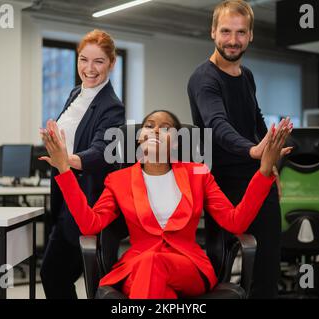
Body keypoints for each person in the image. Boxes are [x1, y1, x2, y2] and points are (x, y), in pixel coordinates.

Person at [40, 109, 291, 299]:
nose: (157, 130)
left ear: (177, 142)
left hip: (188, 266)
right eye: (150, 126)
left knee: (153, 266)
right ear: (139, 138)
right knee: (155, 279)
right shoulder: (118, 180)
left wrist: (265, 169)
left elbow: (236, 221)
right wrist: (64, 168)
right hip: (136, 267)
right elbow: (89, 225)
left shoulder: (198, 173)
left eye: (166, 127)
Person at [187, 0, 293, 298]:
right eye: (226, 31)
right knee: (218, 273)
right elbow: (217, 126)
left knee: (267, 268)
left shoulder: (246, 76)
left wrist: (269, 162)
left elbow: (255, 118)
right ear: (212, 32)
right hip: (224, 185)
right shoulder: (204, 78)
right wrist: (253, 151)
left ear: (250, 35)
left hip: (258, 179)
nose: (233, 40)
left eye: (240, 32)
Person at [39, 29, 125, 299]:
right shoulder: (77, 93)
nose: (89, 68)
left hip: (88, 201)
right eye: (83, 59)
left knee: (57, 274)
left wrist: (67, 159)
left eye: (98, 61)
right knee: (55, 275)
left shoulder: (112, 107)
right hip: (66, 198)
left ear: (112, 63)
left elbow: (100, 152)